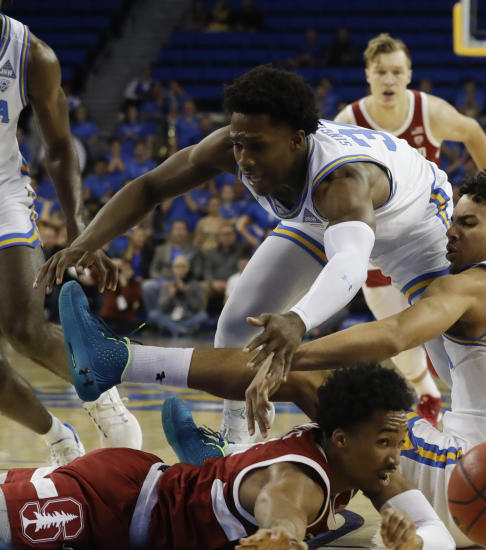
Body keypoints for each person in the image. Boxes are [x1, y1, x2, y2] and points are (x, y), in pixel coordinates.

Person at [58, 172, 486, 550]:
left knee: (327, 386)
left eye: (468, 223)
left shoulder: (476, 284)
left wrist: (290, 348)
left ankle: (123, 360)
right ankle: (228, 459)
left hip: (471, 485)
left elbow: (393, 333)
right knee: (369, 413)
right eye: (454, 219)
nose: (452, 231)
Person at [37, 65, 454, 446]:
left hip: (418, 228)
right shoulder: (234, 148)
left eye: (256, 147)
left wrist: (299, 319)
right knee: (237, 327)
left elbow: (349, 264)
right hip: (318, 219)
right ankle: (234, 444)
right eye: (239, 145)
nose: (245, 159)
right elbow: (150, 187)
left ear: (297, 140)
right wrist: (88, 240)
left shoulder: (340, 181)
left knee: (454, 362)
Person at [0, 363, 455, 550]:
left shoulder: (364, 463)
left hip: (136, 489)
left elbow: (439, 538)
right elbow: (284, 513)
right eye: (384, 442)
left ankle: (220, 460)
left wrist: (415, 542)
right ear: (341, 439)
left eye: (397, 443)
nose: (395, 457)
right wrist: (281, 538)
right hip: (114, 502)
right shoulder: (297, 480)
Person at [0, 10, 140, 460]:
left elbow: (59, 147)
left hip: (3, 195)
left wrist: (83, 230)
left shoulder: (31, 54)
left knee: (24, 328)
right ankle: (60, 441)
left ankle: (104, 398)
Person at [335, 33, 486, 427]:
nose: (389, 80)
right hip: (378, 247)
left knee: (452, 327)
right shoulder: (348, 121)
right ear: (368, 75)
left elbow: (473, 131)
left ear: (409, 75)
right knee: (401, 339)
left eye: (396, 72)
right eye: (381, 72)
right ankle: (425, 390)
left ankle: (481, 400)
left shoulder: (430, 111)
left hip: (432, 241)